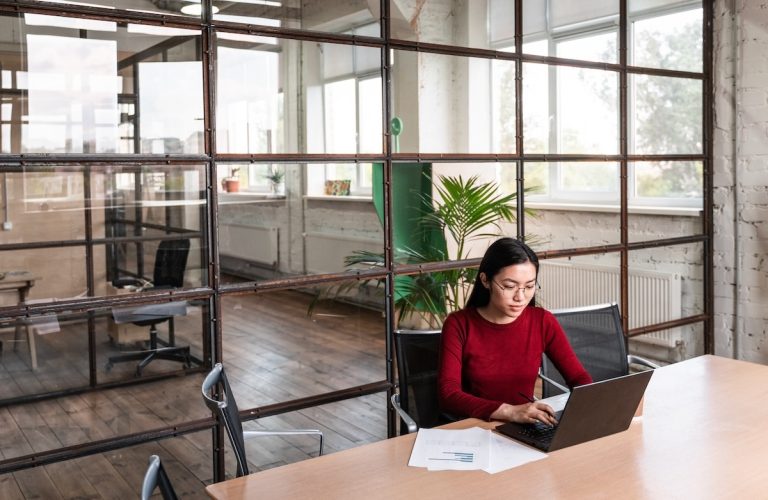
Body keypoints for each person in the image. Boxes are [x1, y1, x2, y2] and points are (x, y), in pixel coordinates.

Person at [438, 237, 592, 426]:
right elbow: (449, 394)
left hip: (523, 424)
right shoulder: (459, 324)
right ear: (485, 280)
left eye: (529, 286)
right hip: (475, 427)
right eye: (510, 286)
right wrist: (508, 411)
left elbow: (578, 377)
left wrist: (594, 406)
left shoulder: (542, 321)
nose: (520, 297)